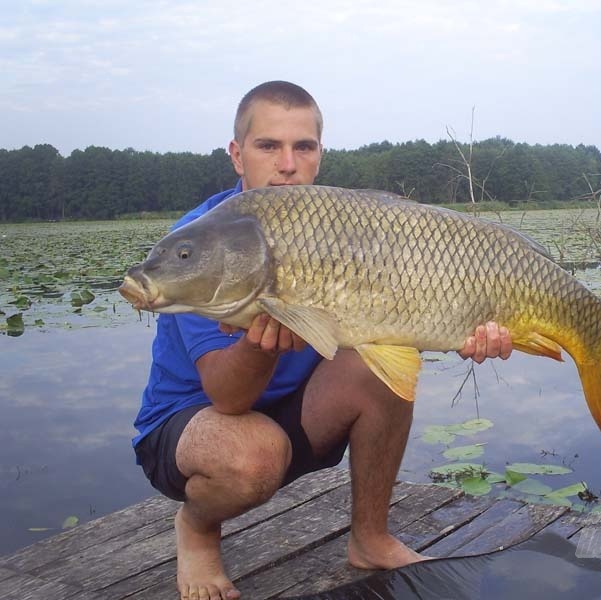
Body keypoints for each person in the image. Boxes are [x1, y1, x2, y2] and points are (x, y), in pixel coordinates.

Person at [132, 80, 513, 600]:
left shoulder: (344, 224)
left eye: (303, 147)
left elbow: (408, 315)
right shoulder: (205, 241)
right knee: (253, 456)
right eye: (268, 146)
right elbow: (227, 397)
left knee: (376, 366)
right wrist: (256, 343)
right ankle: (197, 528)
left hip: (297, 413)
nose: (287, 164)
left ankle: (371, 538)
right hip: (194, 433)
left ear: (318, 154)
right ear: (237, 155)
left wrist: (471, 326)